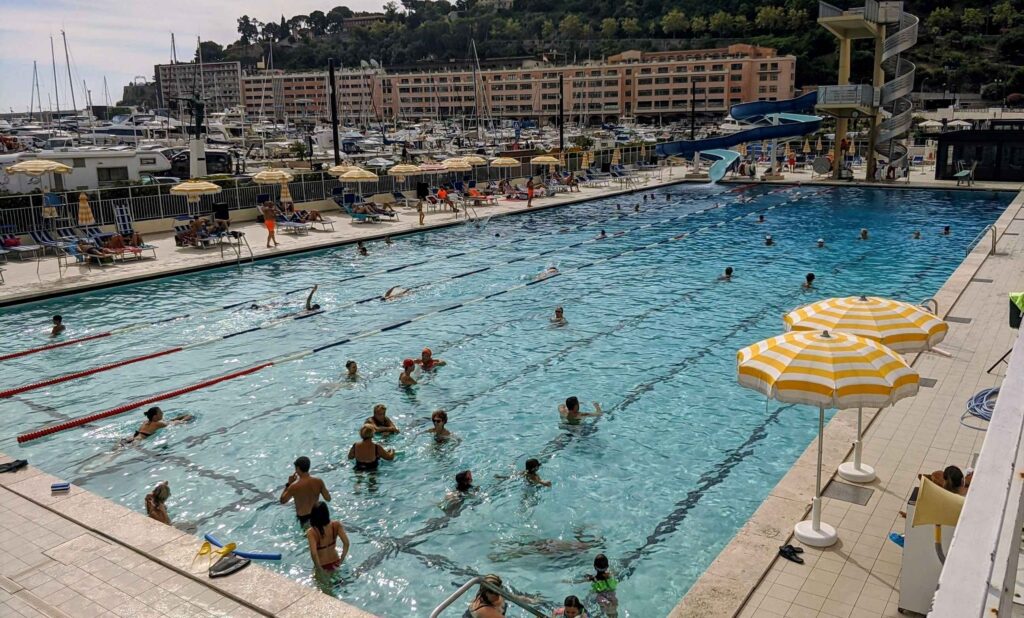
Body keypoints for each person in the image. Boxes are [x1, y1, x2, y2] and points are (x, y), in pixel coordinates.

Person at [279, 456, 332, 527]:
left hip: (304, 519)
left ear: (297, 468)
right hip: (318, 515)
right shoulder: (319, 481)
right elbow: (328, 498)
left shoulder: (294, 486)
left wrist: (288, 484)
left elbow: (283, 501)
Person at [305, 501, 350, 576]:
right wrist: (341, 559)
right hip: (336, 562)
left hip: (322, 565)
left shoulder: (311, 532)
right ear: (327, 513)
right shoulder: (336, 525)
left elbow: (314, 553)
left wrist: (319, 569)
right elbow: (347, 543)